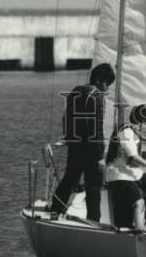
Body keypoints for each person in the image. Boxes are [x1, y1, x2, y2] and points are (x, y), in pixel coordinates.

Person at [49, 62, 115, 222]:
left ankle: (55, 210)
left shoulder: (75, 91)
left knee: (69, 180)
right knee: (93, 187)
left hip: (75, 146)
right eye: (107, 84)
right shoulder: (97, 96)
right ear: (99, 80)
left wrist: (70, 138)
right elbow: (96, 128)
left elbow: (66, 119)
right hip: (92, 149)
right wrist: (100, 155)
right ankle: (93, 220)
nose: (107, 89)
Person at [104, 104, 146, 230]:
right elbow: (134, 157)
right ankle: (139, 231)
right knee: (138, 203)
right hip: (120, 175)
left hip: (131, 173)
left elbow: (137, 155)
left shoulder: (131, 132)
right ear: (141, 122)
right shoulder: (126, 132)